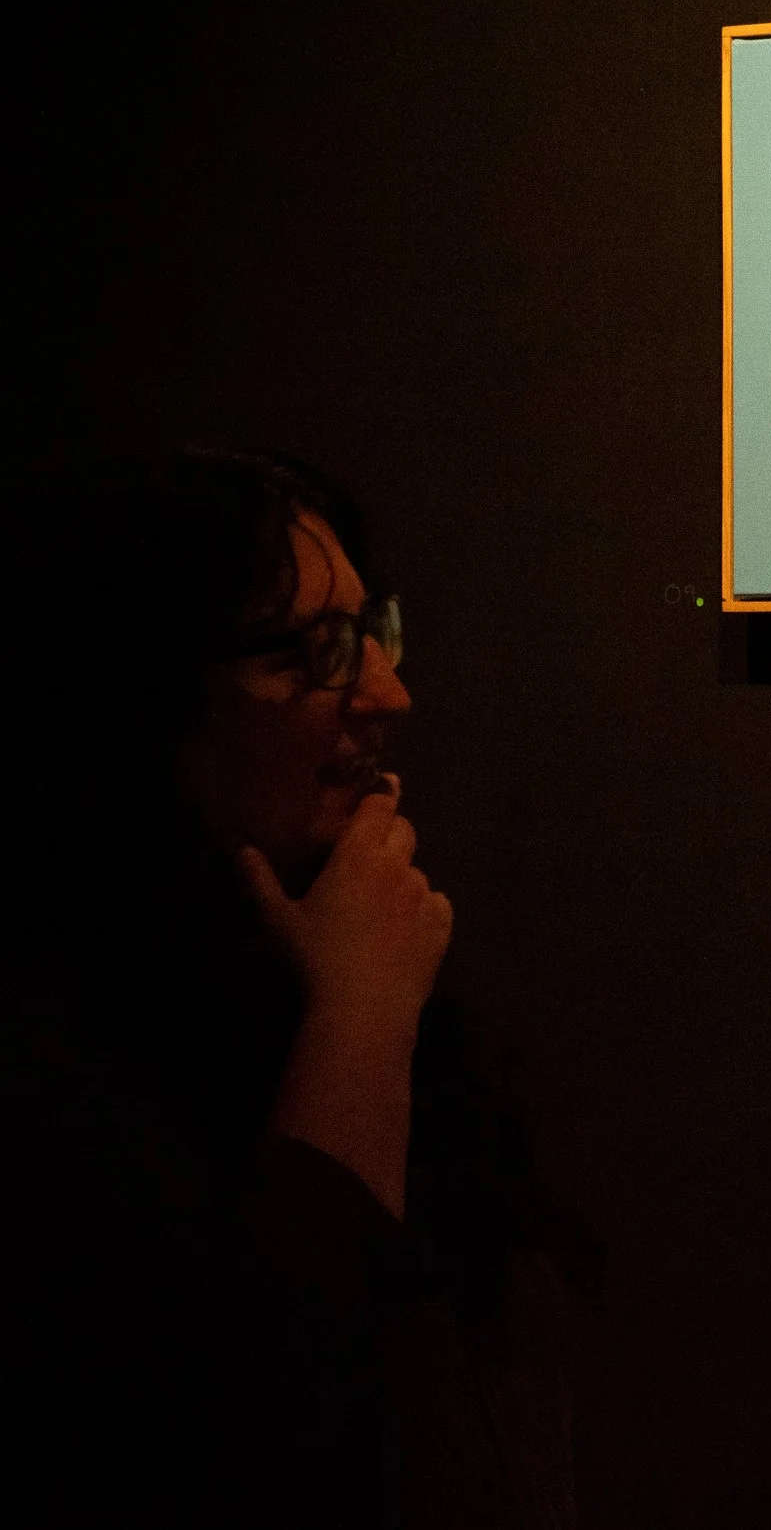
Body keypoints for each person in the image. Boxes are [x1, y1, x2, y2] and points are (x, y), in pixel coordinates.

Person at [0, 449, 582, 1528]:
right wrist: (359, 1019)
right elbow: (270, 1435)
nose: (388, 692)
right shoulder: (51, 1082)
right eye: (312, 651)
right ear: (136, 705)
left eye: (372, 631)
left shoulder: (367, 1007)